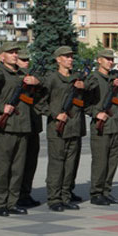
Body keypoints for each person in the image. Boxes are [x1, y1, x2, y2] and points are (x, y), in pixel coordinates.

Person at [0, 42, 40, 216]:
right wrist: (0, 107)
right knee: (2, 167)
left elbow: (42, 88)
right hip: (5, 128)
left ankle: (12, 202)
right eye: (10, 52)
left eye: (16, 52)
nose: (15, 55)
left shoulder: (22, 74)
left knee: (17, 168)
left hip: (23, 126)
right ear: (1, 56)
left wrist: (37, 81)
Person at [39, 46, 86, 211]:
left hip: (74, 128)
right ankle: (54, 199)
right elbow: (39, 101)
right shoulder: (52, 78)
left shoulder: (76, 79)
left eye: (71, 56)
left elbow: (83, 103)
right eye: (66, 56)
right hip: (57, 129)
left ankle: (66, 197)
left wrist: (83, 89)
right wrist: (55, 114)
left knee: (70, 166)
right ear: (58, 59)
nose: (70, 59)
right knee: (56, 165)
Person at [85, 49, 118, 205]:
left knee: (112, 162)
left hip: (115, 126)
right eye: (106, 59)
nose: (110, 61)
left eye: (111, 59)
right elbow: (82, 102)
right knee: (100, 162)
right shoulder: (93, 78)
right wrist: (95, 113)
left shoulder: (114, 76)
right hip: (101, 127)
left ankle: (106, 191)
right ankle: (96, 193)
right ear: (99, 60)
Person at [15, 51, 43, 208]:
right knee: (17, 164)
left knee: (31, 162)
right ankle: (13, 195)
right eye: (22, 60)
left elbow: (45, 85)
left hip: (33, 126)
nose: (26, 62)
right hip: (18, 127)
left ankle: (25, 194)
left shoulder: (34, 77)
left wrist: (36, 82)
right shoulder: (14, 77)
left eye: (27, 60)